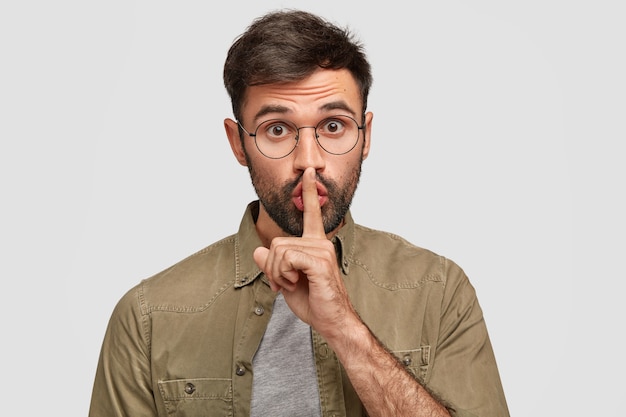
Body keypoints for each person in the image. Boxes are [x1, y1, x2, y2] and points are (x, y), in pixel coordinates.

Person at [89, 9, 509, 417]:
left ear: (365, 136)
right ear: (238, 143)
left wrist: (345, 328)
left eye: (333, 126)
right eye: (277, 129)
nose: (309, 161)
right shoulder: (148, 317)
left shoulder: (438, 292)